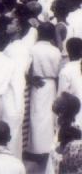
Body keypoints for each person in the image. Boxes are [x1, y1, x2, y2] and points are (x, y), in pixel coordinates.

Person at [28, 23, 62, 158]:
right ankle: (48, 147)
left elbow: (27, 68)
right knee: (49, 115)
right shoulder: (56, 51)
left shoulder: (32, 49)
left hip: (37, 84)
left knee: (36, 115)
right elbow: (59, 71)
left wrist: (31, 79)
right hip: (51, 84)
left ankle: (35, 148)